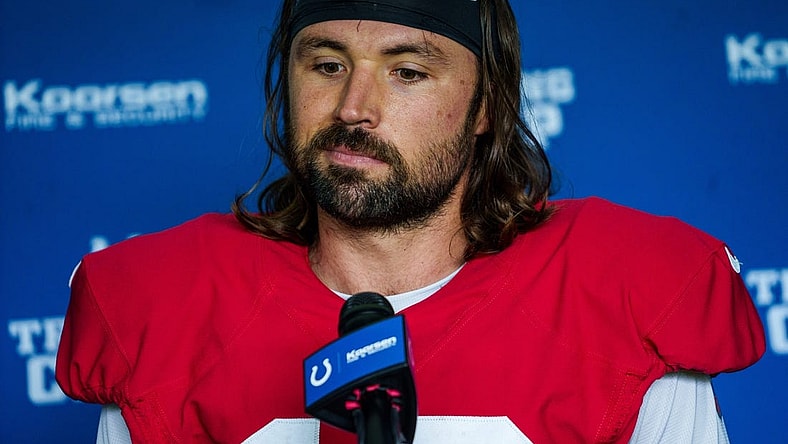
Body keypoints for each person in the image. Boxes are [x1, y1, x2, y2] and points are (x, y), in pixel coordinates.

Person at [55, 0, 766, 442]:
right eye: (327, 64)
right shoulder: (163, 314)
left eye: (408, 71)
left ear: (488, 106)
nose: (354, 106)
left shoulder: (625, 299)